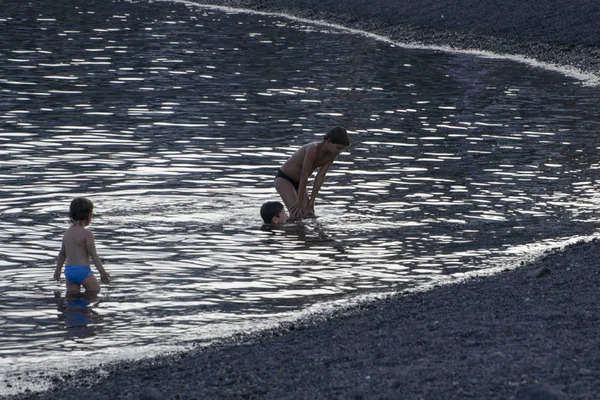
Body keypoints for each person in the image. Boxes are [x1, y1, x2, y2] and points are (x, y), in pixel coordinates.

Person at [275, 126, 350, 219]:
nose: (340, 152)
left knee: (309, 215)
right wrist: (299, 200)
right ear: (328, 142)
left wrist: (312, 202)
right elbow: (304, 174)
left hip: (300, 183)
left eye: (342, 149)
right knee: (297, 214)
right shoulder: (313, 149)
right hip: (284, 179)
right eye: (338, 148)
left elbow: (320, 176)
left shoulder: (332, 154)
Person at [54, 197, 110, 293]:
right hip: (83, 271)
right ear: (89, 215)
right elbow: (94, 255)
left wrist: (58, 270)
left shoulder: (67, 233)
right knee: (95, 292)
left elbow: (62, 253)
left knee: (72, 300)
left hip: (69, 272)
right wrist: (102, 272)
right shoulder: (87, 234)